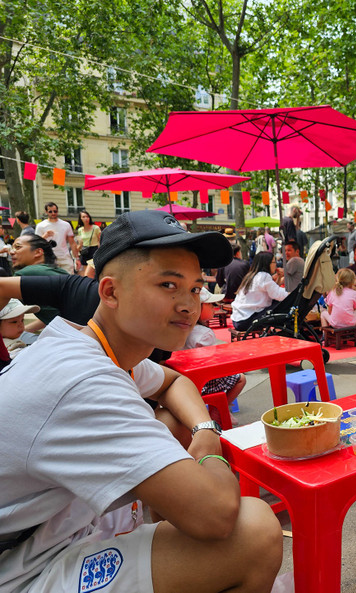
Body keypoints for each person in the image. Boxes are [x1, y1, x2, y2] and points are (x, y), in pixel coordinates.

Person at [0, 210, 283, 593]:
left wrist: (202, 428)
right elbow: (215, 516)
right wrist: (212, 450)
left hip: (54, 531)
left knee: (169, 422)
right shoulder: (84, 379)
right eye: (168, 284)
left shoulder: (88, 343)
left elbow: (174, 380)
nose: (188, 304)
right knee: (254, 530)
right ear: (110, 292)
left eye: (196, 288)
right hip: (20, 569)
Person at [183, 288, 247, 426]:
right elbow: (211, 363)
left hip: (184, 379)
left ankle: (219, 408)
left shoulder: (181, 329)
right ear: (197, 308)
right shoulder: (205, 334)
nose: (215, 307)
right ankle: (218, 409)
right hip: (202, 381)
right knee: (240, 378)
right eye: (211, 304)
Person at [11, 234, 69, 326]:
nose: (11, 252)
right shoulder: (56, 271)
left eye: (18, 247)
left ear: (38, 252)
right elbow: (54, 315)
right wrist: (26, 329)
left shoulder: (24, 274)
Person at [231, 251, 289, 332]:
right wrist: (293, 292)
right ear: (267, 263)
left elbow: (271, 291)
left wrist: (278, 277)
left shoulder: (252, 275)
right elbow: (279, 295)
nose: (275, 264)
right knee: (284, 304)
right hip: (247, 320)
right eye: (274, 262)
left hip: (238, 319)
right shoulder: (264, 276)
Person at [34, 202, 78, 273]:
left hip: (65, 257)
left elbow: (72, 242)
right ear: (46, 212)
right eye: (50, 211)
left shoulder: (66, 225)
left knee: (69, 279)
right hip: (49, 258)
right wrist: (45, 236)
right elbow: (36, 243)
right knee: (53, 281)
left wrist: (77, 258)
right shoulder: (41, 226)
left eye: (55, 211)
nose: (53, 213)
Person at [75, 209, 101, 275]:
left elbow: (100, 240)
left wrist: (100, 251)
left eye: (87, 216)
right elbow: (80, 243)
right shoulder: (80, 230)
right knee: (85, 273)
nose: (86, 218)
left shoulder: (96, 228)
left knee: (89, 273)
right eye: (83, 217)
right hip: (84, 251)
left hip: (94, 250)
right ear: (80, 219)